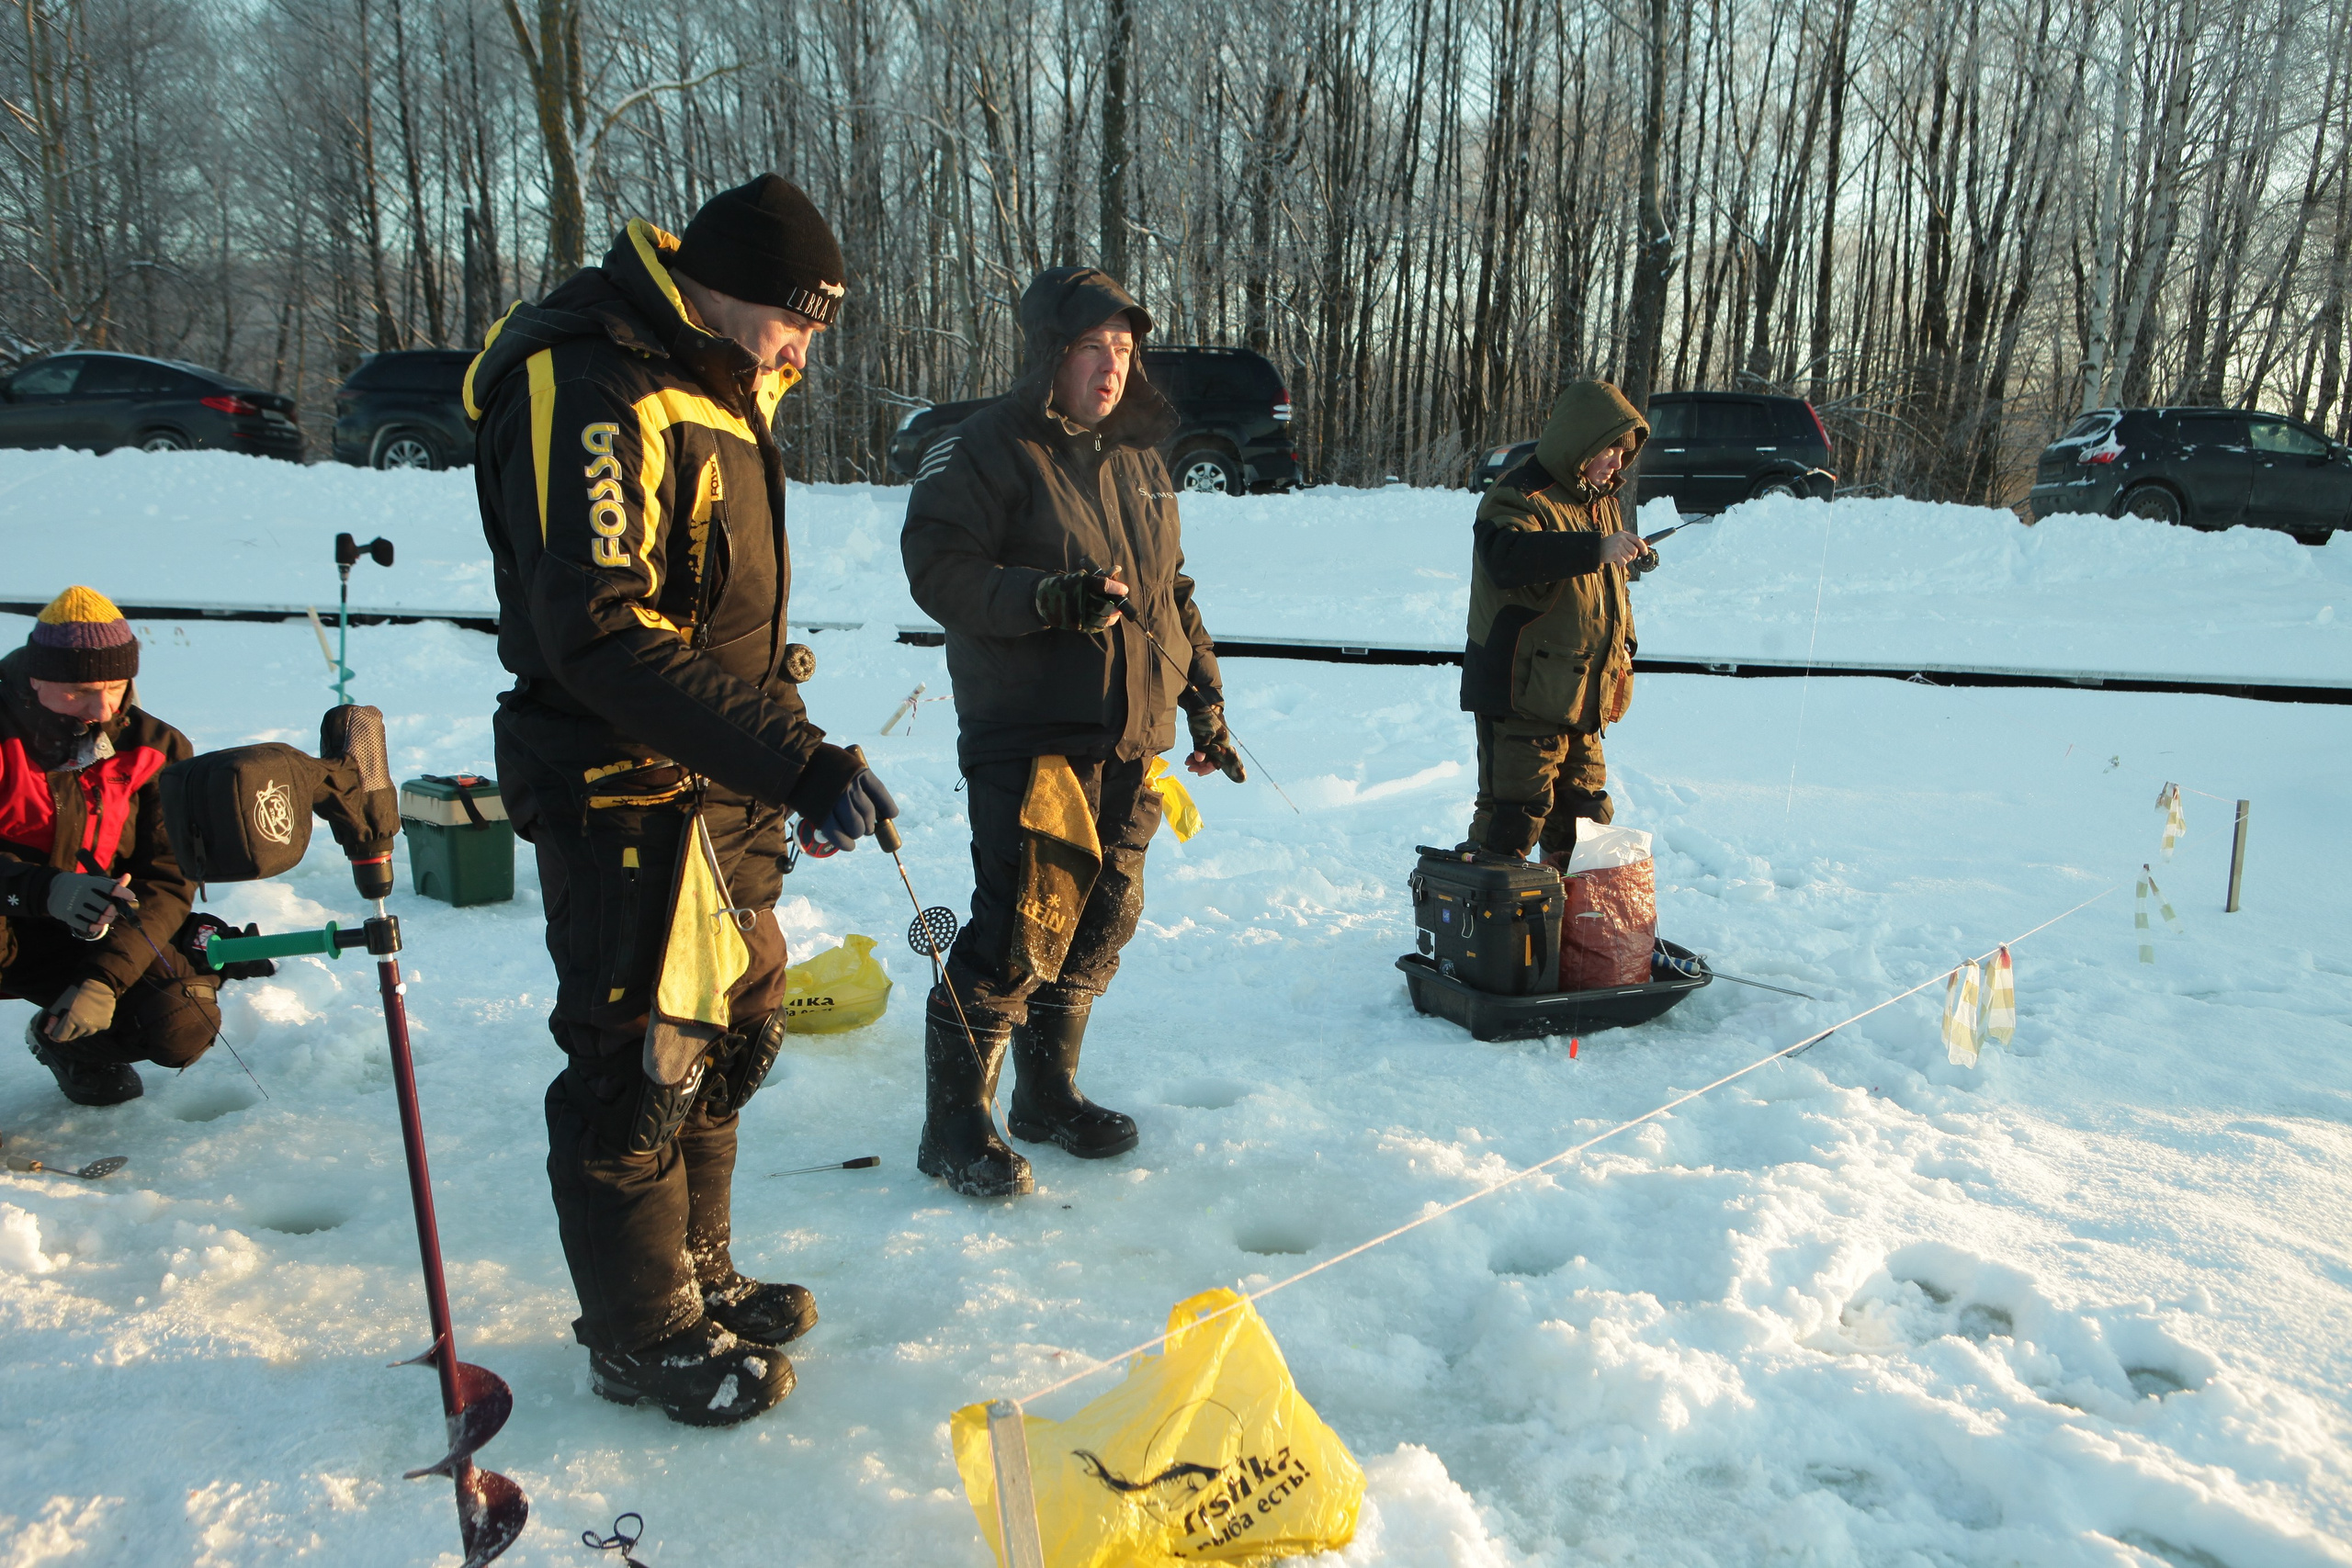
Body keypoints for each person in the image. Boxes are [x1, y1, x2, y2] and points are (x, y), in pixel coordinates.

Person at [468, 174, 897, 1427]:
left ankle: (700, 1273)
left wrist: (802, 753)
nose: (804, 350)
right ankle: (641, 1330)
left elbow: (729, 635)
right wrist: (785, 757)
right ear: (724, 288)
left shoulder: (718, 385)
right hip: (619, 782)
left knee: (732, 1029)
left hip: (720, 784)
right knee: (636, 1062)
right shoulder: (596, 383)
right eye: (795, 320)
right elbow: (601, 629)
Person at [901, 265, 1243, 1200]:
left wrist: (1204, 704)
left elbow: (1172, 594)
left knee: (1100, 921)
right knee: (1020, 928)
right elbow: (938, 568)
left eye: (1124, 350)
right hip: (1033, 733)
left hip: (1130, 735)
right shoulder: (986, 447)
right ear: (1048, 353)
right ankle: (953, 1125)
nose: (1110, 367)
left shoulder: (1139, 459)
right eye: (1092, 347)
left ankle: (1045, 1096)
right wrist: (1045, 600)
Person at [4, 587, 230, 1105]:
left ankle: (68, 1046)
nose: (101, 708)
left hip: (84, 928)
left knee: (180, 1018)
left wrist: (105, 979)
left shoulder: (156, 748)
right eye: (79, 691)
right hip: (9, 911)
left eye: (114, 686)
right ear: (37, 678)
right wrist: (45, 890)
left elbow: (167, 876)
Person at [1458, 380, 1657, 863]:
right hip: (1522, 695)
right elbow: (1504, 557)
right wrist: (1595, 549)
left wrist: (1624, 643)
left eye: (1623, 450)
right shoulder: (1521, 493)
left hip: (1580, 698)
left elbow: (1598, 595)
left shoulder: (1598, 501)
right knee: (1513, 819)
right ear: (1579, 440)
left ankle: (1579, 936)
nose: (1617, 459)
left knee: (1586, 824)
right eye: (1609, 446)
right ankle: (1491, 934)